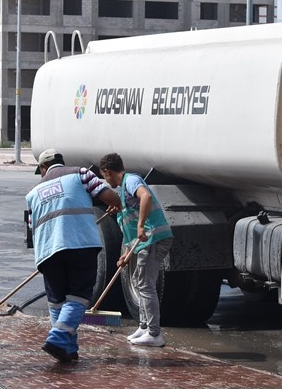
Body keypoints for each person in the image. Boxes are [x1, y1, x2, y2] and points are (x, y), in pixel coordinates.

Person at [27, 148, 119, 363]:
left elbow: (32, 227)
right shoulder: (81, 174)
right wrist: (117, 204)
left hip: (47, 251)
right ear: (61, 162)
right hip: (80, 244)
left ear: (43, 168)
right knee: (78, 296)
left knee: (57, 300)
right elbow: (110, 197)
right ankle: (58, 338)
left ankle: (68, 349)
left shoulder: (32, 193)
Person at [98, 152, 173, 347]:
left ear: (107, 172)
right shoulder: (123, 192)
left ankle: (155, 334)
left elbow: (146, 196)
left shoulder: (131, 180)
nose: (106, 181)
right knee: (139, 282)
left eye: (104, 176)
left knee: (146, 284)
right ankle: (144, 326)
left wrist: (141, 226)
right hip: (143, 242)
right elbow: (130, 231)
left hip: (153, 237)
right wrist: (125, 254)